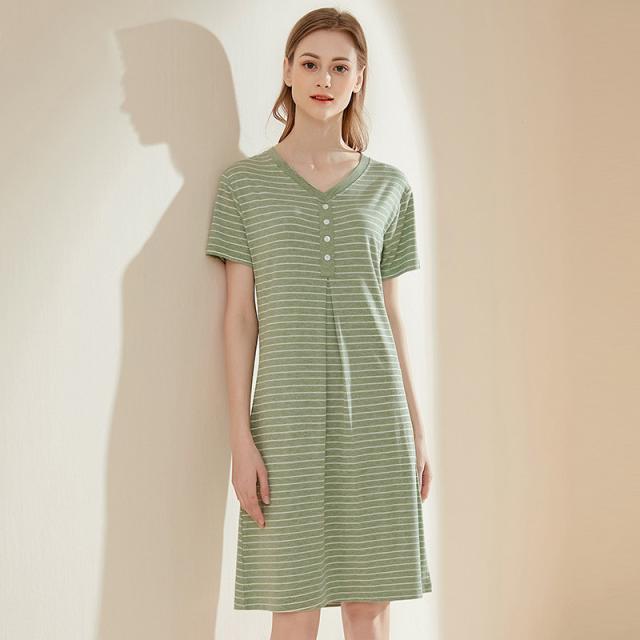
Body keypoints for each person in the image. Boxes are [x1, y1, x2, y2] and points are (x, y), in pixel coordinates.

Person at [206, 7, 433, 640]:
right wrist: (240, 438)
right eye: (310, 64)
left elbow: (391, 314)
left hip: (377, 416)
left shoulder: (390, 188)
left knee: (368, 606)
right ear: (287, 70)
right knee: (293, 604)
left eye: (340, 67)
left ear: (360, 78)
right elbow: (239, 318)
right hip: (286, 418)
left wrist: (417, 429)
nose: (324, 80)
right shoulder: (244, 186)